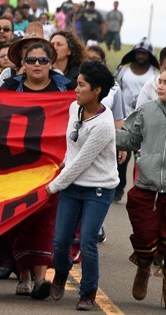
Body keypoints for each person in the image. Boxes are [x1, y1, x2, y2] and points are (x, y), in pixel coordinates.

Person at [116, 66, 166, 311]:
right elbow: (129, 139)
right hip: (147, 186)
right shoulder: (147, 110)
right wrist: (101, 131)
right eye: (159, 81)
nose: (160, 86)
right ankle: (143, 265)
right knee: (143, 235)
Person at [0, 41, 75, 300]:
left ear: (51, 63)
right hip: (15, 167)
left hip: (52, 167)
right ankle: (24, 276)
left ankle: (41, 279)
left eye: (42, 60)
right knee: (19, 221)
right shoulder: (9, 88)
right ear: (22, 64)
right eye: (31, 60)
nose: (36, 65)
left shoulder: (67, 89)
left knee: (45, 221)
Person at [46, 61, 118, 311]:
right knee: (60, 240)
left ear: (97, 90)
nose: (75, 90)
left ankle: (88, 292)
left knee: (87, 241)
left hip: (98, 188)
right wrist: (64, 164)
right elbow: (73, 148)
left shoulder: (104, 125)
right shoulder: (73, 108)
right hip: (72, 186)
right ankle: (61, 273)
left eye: (81, 85)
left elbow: (83, 162)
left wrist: (53, 186)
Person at [113, 38, 160, 202]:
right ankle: (118, 189)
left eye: (145, 53)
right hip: (124, 119)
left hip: (147, 122)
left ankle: (139, 191)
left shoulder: (156, 75)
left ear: (150, 56)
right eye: (139, 52)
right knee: (121, 157)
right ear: (133, 54)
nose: (141, 55)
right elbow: (113, 90)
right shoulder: (123, 71)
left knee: (143, 159)